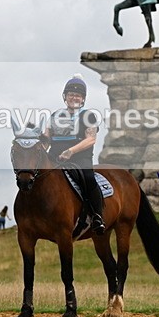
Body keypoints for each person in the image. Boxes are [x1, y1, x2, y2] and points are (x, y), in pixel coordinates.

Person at [43, 74, 106, 235]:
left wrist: (71, 151)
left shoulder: (89, 116)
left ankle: (97, 216)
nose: (74, 98)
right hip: (55, 156)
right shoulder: (54, 116)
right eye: (71, 94)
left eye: (78, 95)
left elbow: (91, 139)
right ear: (65, 96)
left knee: (89, 178)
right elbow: (46, 138)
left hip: (80, 157)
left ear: (83, 99)